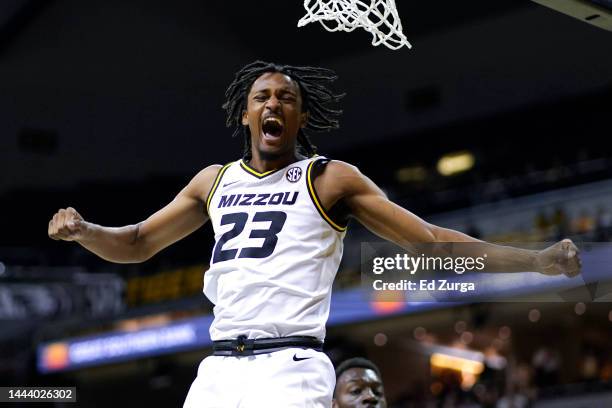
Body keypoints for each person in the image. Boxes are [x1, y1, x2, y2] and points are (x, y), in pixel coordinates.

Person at [47, 61, 581, 407]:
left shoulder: (329, 178)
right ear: (245, 113)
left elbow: (432, 243)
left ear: (301, 117)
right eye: (262, 97)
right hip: (217, 372)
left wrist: (533, 261)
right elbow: (137, 242)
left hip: (291, 365)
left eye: (285, 98)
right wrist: (86, 231)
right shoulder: (213, 181)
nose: (273, 104)